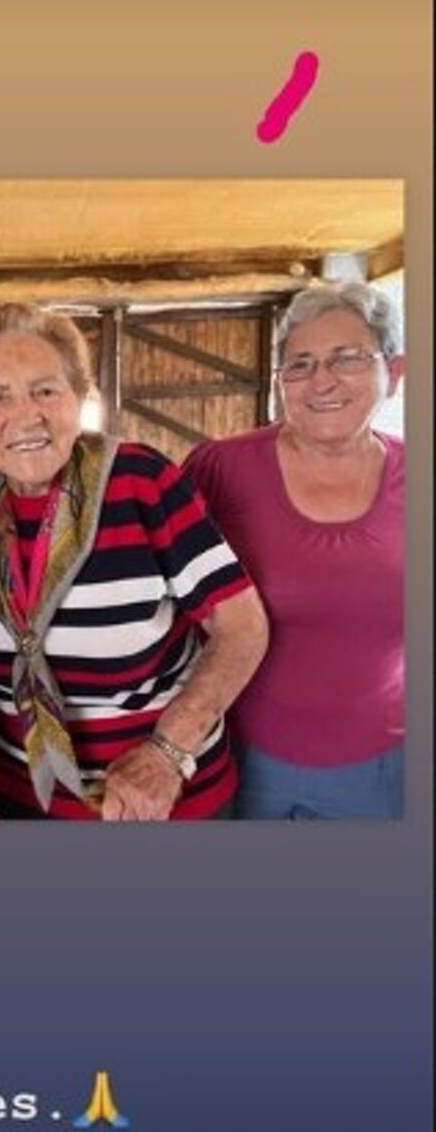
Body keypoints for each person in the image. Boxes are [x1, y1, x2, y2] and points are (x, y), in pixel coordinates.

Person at [0, 303, 269, 821]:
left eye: (46, 390)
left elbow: (242, 626)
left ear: (80, 399)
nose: (26, 416)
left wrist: (168, 752)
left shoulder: (140, 481)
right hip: (19, 797)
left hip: (159, 802)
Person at [184, 282, 405, 820]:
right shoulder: (218, 469)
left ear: (394, 373)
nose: (321, 381)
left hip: (382, 768)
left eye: (346, 358)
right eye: (299, 365)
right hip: (238, 758)